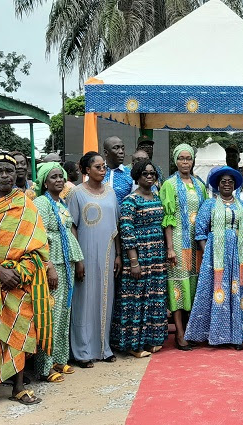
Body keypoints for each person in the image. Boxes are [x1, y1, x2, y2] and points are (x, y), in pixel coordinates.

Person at [0, 152, 54, 411]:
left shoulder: (26, 202)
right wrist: (1, 271)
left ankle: (19, 387)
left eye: (9, 171)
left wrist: (20, 271)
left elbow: (38, 242)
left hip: (21, 277)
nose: (5, 176)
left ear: (17, 174)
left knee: (20, 329)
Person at [186, 166, 243, 350]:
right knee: (214, 293)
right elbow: (200, 231)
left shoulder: (241, 206)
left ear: (234, 185)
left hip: (237, 256)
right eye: (223, 181)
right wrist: (208, 254)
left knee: (237, 292)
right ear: (218, 185)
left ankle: (237, 336)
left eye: (230, 182)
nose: (227, 184)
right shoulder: (209, 205)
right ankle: (210, 335)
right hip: (215, 258)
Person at [67, 152, 121, 368]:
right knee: (84, 301)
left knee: (105, 299)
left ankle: (103, 348)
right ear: (86, 170)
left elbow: (116, 227)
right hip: (85, 253)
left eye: (104, 166)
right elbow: (72, 227)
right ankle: (82, 352)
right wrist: (77, 259)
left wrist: (119, 255)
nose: (102, 170)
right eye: (98, 167)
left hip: (108, 253)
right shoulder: (76, 193)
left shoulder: (111, 193)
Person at [32, 162, 84, 383]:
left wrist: (78, 260)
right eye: (53, 177)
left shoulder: (61, 203)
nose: (59, 180)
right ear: (45, 182)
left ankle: (59, 360)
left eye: (61, 176)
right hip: (52, 264)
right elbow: (39, 236)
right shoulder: (41, 203)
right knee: (49, 315)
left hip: (66, 263)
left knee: (63, 313)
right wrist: (49, 266)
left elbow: (69, 232)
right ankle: (44, 367)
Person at [111, 161, 168, 358]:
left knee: (153, 297)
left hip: (156, 256)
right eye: (145, 173)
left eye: (152, 173)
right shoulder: (130, 201)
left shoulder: (158, 197)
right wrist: (134, 262)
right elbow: (126, 232)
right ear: (137, 176)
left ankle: (150, 340)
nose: (149, 176)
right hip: (138, 256)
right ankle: (133, 345)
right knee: (135, 299)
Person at [161, 144, 208, 351]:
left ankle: (191, 331)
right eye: (181, 158)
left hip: (196, 245)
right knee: (178, 287)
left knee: (194, 286)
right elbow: (168, 218)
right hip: (179, 244)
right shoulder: (169, 185)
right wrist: (170, 248)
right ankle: (179, 334)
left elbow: (205, 214)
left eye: (189, 158)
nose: (185, 162)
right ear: (175, 161)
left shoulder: (199, 185)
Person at [102, 136, 133, 204]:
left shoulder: (130, 174)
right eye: (116, 148)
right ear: (106, 153)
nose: (121, 152)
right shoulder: (96, 173)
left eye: (123, 148)